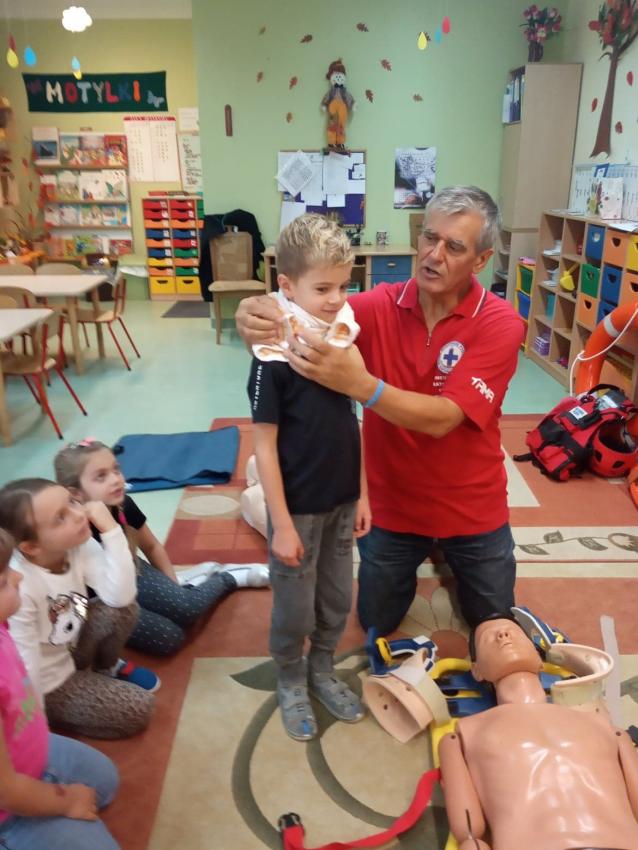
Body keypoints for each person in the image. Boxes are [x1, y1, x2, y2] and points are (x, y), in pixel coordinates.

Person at [236, 185, 526, 632]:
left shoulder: (500, 323)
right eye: (429, 237)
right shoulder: (373, 308)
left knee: (493, 621)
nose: (433, 255)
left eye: (453, 247)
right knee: (376, 622)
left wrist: (362, 386)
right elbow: (300, 314)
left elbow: (444, 419)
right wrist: (252, 313)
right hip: (390, 505)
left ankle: (446, 553)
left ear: (481, 260)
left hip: (471, 505)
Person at [247, 213, 371, 741]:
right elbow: (263, 444)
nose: (336, 299)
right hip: (296, 509)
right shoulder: (271, 357)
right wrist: (281, 524)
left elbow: (352, 422)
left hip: (342, 503)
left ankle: (321, 667)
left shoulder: (341, 342)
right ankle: (291, 675)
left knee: (337, 598)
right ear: (287, 286)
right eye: (323, 289)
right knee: (294, 608)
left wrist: (363, 494)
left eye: (344, 286)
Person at [54, 440, 270, 657]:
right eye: (101, 476)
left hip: (131, 572)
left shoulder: (123, 505)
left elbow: (152, 546)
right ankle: (196, 580)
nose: (116, 479)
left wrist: (174, 589)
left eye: (116, 470)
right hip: (100, 601)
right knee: (169, 639)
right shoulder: (71, 533)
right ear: (76, 493)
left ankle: (227, 577)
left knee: (187, 609)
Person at [438, 615, 638, 850]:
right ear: (477, 671)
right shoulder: (467, 733)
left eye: (513, 632)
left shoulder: (602, 726)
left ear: (539, 659)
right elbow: (468, 832)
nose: (503, 635)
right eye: (487, 638)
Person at [0, 478, 155, 739]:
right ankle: (59, 713)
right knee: (139, 708)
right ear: (31, 547)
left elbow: (120, 597)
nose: (79, 514)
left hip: (71, 648)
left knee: (122, 610)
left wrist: (111, 530)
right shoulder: (21, 586)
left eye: (72, 502)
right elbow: (27, 664)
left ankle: (105, 669)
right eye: (60, 518)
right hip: (49, 682)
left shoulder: (78, 544)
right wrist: (37, 727)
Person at [0, 528, 121, 850]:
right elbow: (6, 791)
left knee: (105, 780)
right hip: (8, 804)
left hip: (27, 748)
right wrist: (65, 801)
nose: (17, 577)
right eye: (3, 582)